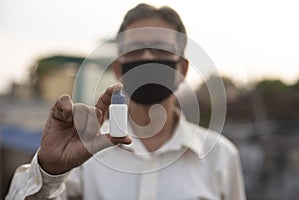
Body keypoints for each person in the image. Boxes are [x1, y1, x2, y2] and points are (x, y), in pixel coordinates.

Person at [6, 3, 246, 200]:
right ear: (119, 69)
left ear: (182, 69)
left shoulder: (221, 157)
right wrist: (49, 170)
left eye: (160, 49)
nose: (148, 57)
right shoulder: (85, 151)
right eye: (135, 50)